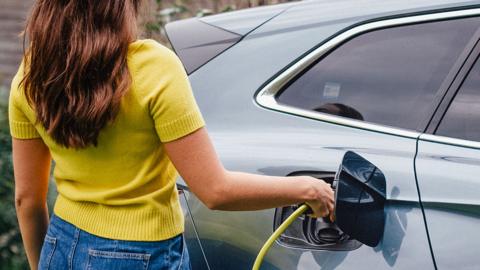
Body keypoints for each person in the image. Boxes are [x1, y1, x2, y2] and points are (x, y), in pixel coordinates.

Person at [9, 1, 334, 269]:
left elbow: (27, 200)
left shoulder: (30, 76)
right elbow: (215, 191)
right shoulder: (154, 67)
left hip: (61, 244)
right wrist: (307, 188)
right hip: (139, 254)